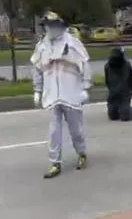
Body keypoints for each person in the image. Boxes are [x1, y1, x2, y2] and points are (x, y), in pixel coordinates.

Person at [30, 11, 91, 179]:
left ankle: (82, 153)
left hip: (71, 93)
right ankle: (55, 162)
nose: (49, 29)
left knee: (76, 129)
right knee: (54, 130)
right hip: (52, 95)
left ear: (60, 26)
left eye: (52, 26)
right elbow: (37, 69)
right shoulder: (42, 46)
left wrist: (85, 87)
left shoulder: (73, 44)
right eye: (47, 26)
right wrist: (37, 90)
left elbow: (85, 65)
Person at [104, 47, 132, 121]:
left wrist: (129, 92)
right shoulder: (107, 66)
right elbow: (107, 81)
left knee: (125, 117)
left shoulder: (127, 65)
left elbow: (131, 80)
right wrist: (112, 91)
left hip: (124, 95)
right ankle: (123, 108)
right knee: (113, 117)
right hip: (113, 96)